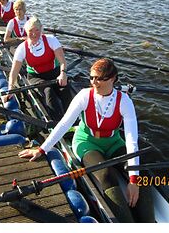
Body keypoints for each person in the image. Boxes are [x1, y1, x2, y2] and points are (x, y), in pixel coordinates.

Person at [18, 58, 154, 223]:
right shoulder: (84, 96)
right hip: (86, 142)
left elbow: (132, 140)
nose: (94, 82)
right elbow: (63, 124)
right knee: (106, 175)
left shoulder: (124, 101)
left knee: (142, 174)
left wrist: (134, 179)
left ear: (112, 79)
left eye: (99, 78)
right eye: (91, 78)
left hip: (113, 141)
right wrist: (42, 149)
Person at [5, 16, 71, 121]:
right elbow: (14, 71)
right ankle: (57, 121)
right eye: (31, 31)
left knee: (65, 89)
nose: (34, 33)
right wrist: (11, 87)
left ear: (41, 30)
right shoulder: (22, 48)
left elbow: (62, 61)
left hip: (55, 73)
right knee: (48, 91)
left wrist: (63, 73)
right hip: (36, 76)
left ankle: (72, 119)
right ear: (26, 32)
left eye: (37, 30)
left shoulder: (51, 40)